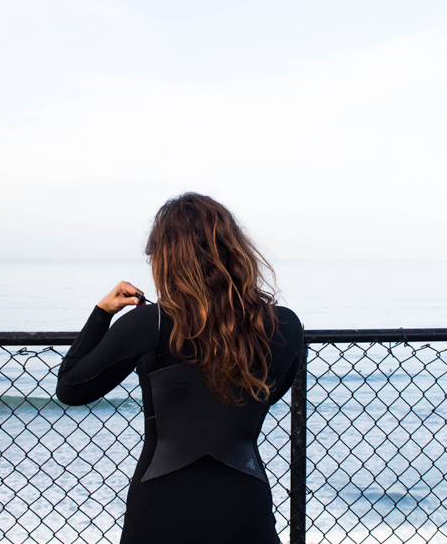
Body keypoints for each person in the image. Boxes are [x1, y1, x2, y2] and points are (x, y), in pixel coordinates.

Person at [56, 192, 304, 544]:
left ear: (168, 258)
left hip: (161, 508)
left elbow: (71, 388)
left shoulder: (150, 323)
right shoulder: (283, 325)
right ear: (234, 249)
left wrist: (102, 313)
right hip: (245, 504)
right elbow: (272, 391)